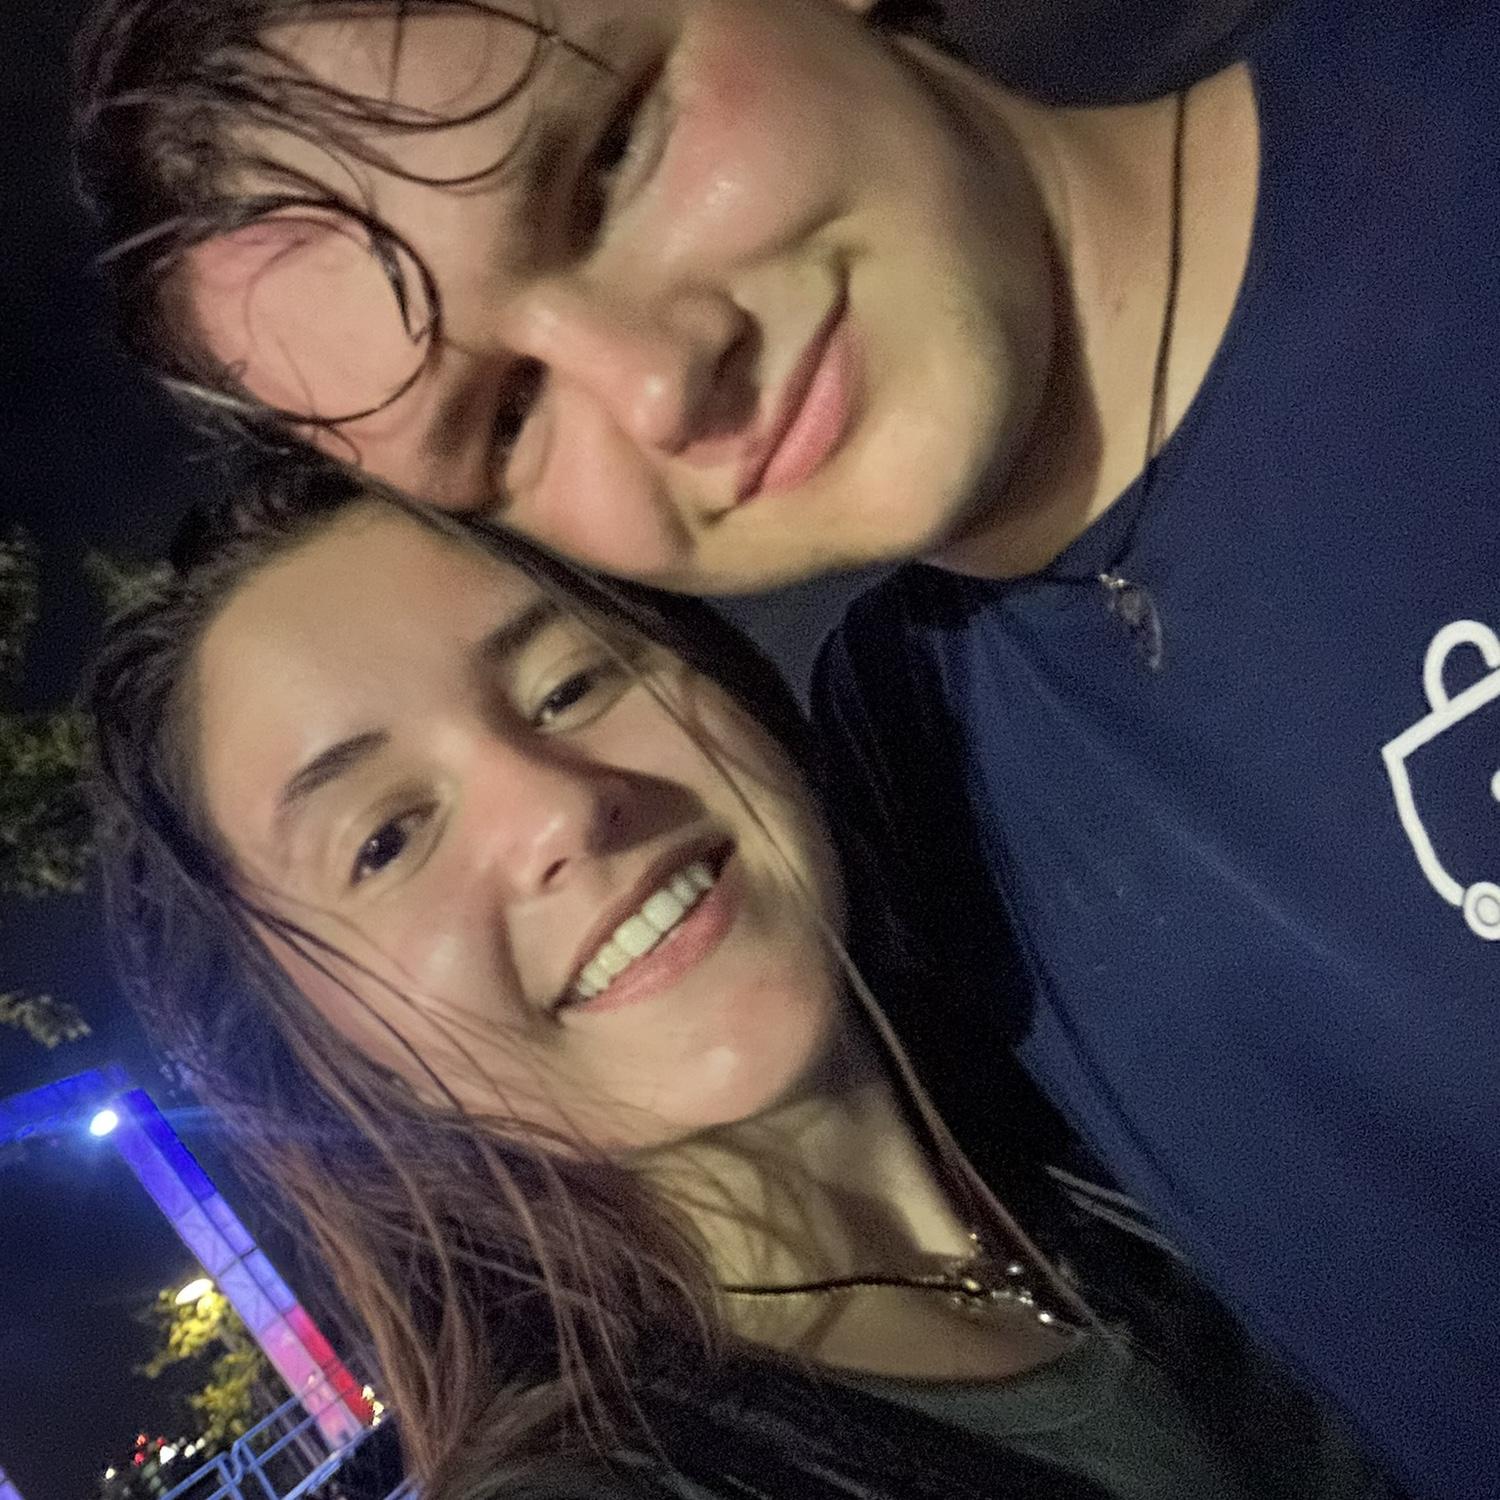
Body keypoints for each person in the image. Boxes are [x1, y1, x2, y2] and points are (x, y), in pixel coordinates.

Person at [73, 2, 1500, 1495]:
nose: (658, 382)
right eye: (505, 416)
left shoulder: (990, 978)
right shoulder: (946, 761)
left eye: (610, 159)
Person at [87, 467, 1391, 1500]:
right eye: (385, 839)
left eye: (569, 684)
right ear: (314, 1059)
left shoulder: (1155, 1074)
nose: (560, 810)